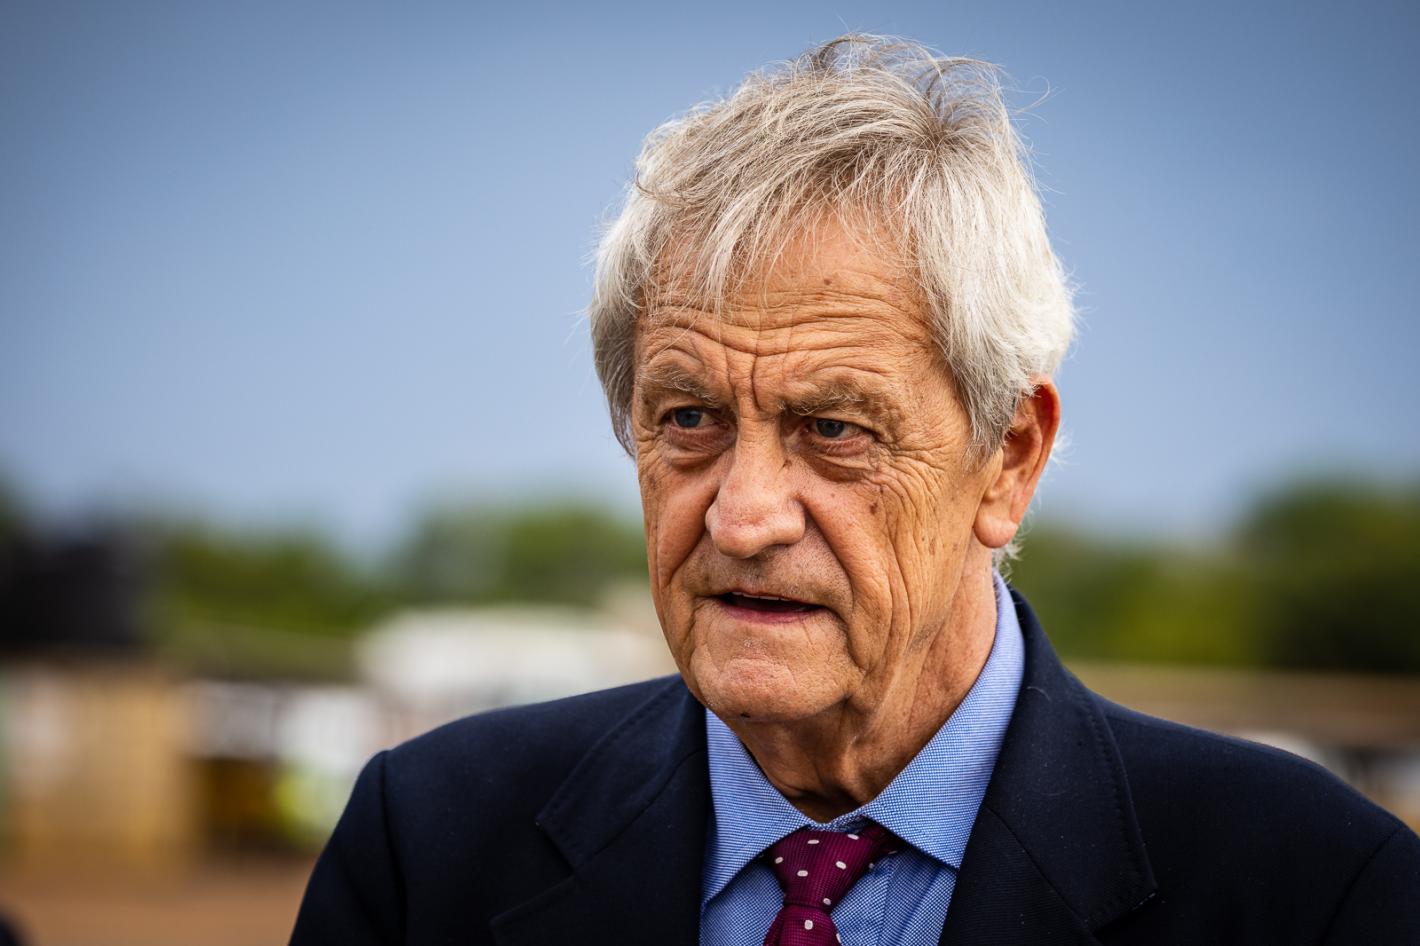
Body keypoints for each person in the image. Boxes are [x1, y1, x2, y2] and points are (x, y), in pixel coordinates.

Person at [290, 35, 1420, 945]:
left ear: (1009, 458)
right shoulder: (427, 845)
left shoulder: (1313, 893)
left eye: (834, 431)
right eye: (689, 420)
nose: (743, 517)